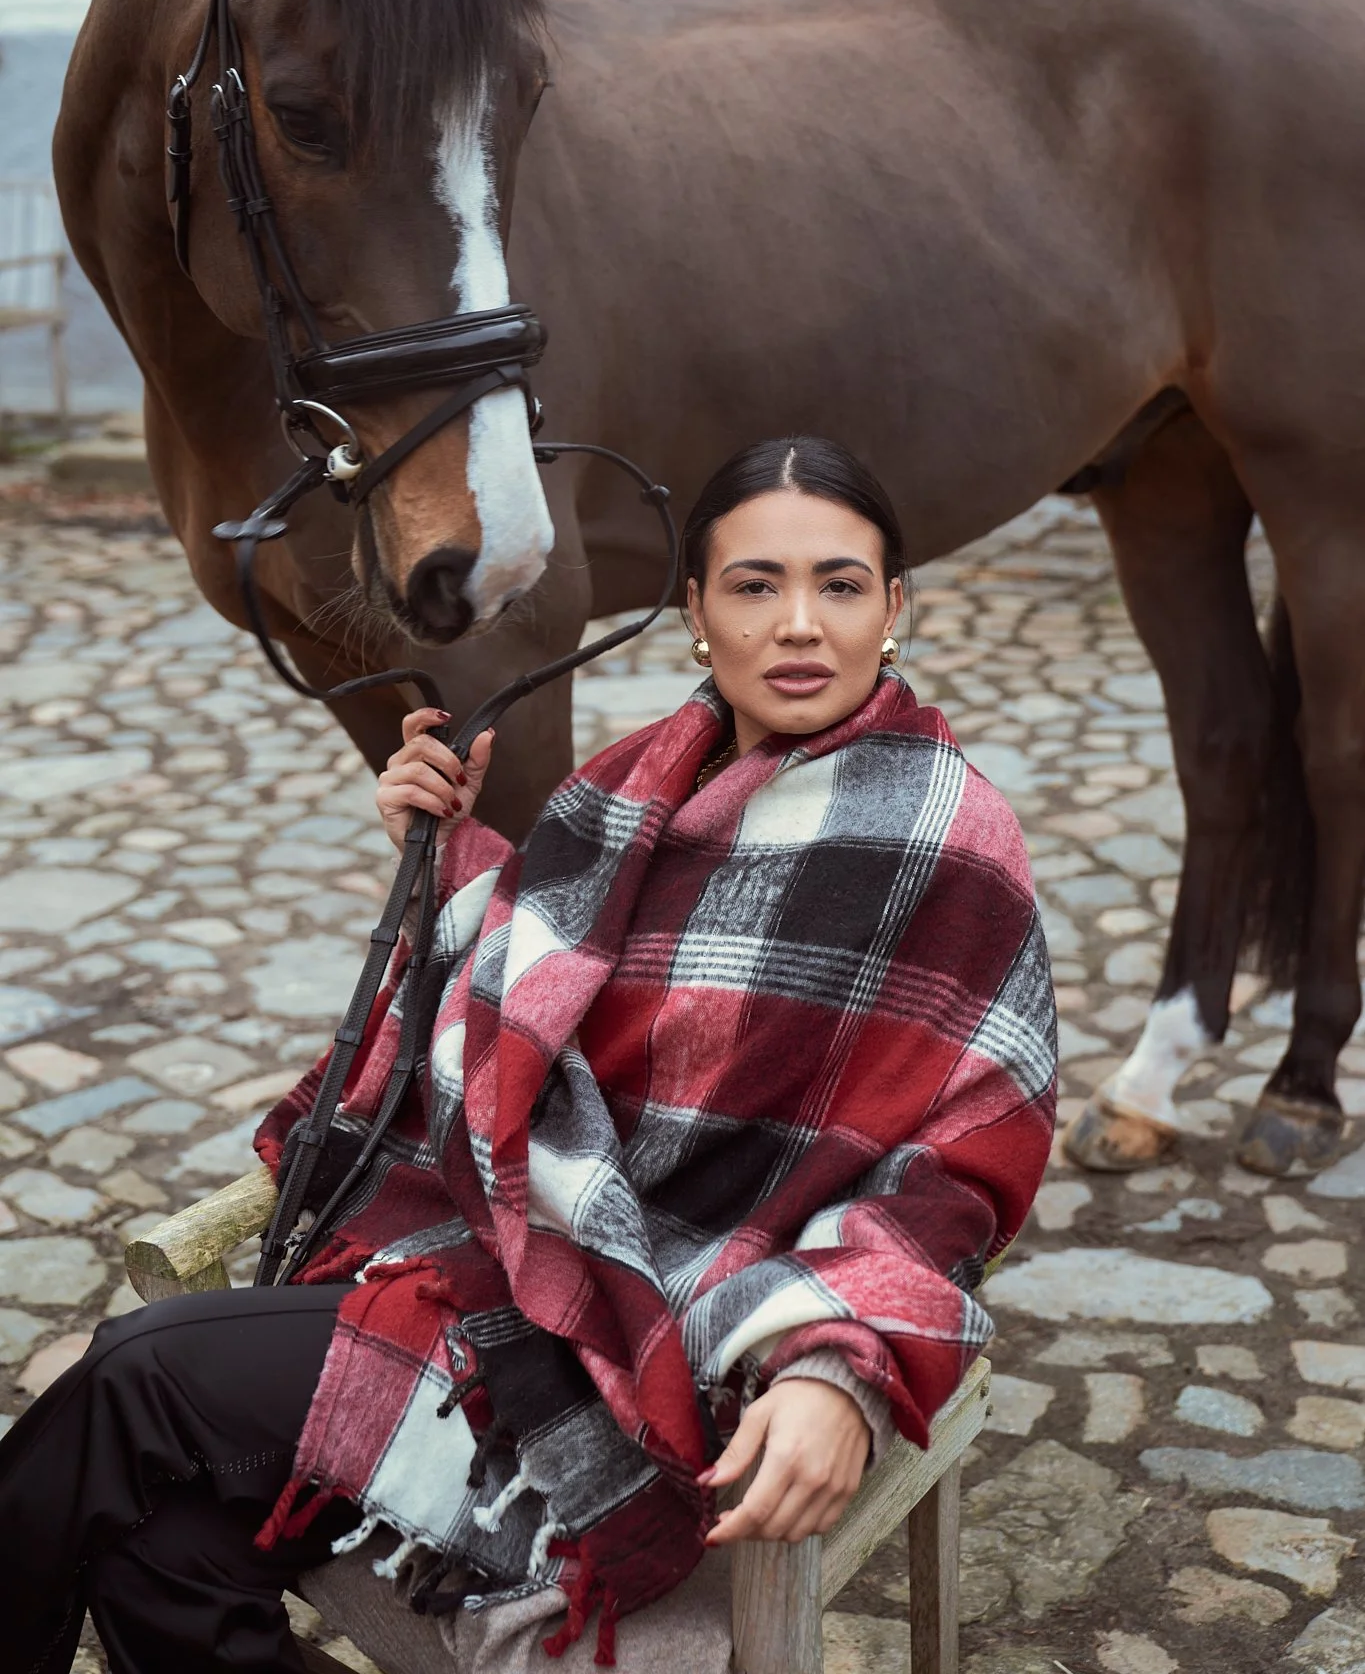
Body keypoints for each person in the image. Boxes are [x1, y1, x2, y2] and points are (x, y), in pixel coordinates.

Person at [0, 437, 1056, 1674]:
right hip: (520, 1255)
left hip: (674, 1323)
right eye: (755, 584)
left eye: (840, 583)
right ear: (698, 616)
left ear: (895, 609)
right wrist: (439, 851)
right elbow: (539, 991)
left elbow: (957, 1168)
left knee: (135, 1375)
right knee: (163, 1545)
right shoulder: (643, 779)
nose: (799, 622)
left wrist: (845, 1362)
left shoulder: (946, 828)